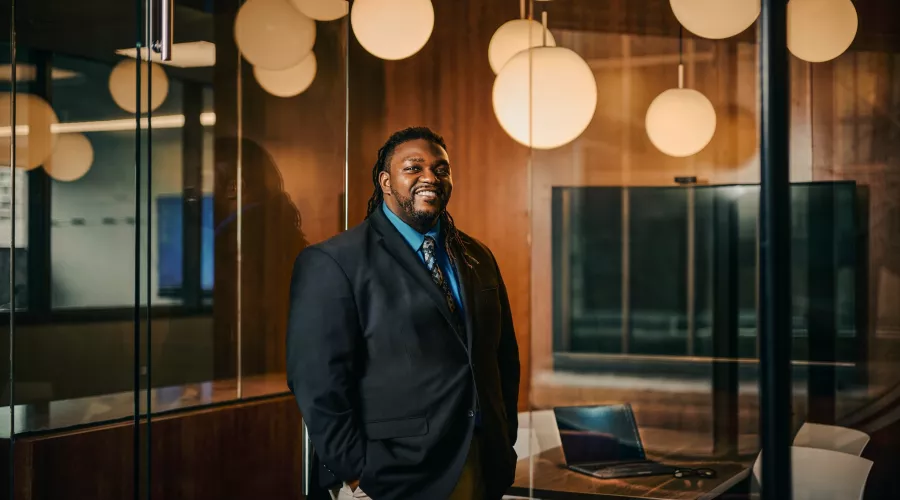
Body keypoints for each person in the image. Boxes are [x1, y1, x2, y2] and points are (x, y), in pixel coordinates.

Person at [287, 127, 520, 500]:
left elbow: (503, 358)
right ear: (385, 181)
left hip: (481, 463)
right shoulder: (334, 261)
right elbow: (317, 383)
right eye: (414, 167)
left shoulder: (478, 256)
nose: (431, 177)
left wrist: (504, 438)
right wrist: (358, 472)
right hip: (391, 476)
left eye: (441, 169)